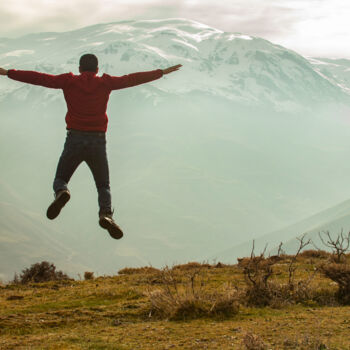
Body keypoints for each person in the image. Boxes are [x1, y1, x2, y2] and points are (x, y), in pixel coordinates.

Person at [0, 54, 182, 239]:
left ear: (80, 68)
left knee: (61, 178)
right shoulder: (105, 83)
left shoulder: (68, 81)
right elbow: (131, 79)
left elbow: (40, 78)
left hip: (74, 139)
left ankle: (62, 192)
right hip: (98, 141)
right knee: (103, 185)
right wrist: (161, 72)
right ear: (96, 69)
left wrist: (8, 73)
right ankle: (105, 214)